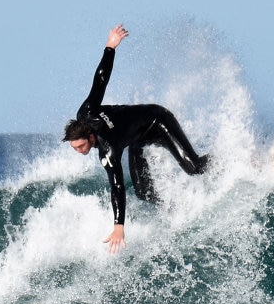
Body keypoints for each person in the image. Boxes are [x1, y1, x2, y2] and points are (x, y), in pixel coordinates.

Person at [63, 24, 209, 253]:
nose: (80, 151)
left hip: (158, 121)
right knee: (143, 193)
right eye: (75, 149)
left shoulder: (106, 146)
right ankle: (175, 212)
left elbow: (117, 186)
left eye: (81, 146)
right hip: (137, 139)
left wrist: (110, 46)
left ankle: (239, 158)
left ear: (90, 136)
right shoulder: (84, 116)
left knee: (194, 167)